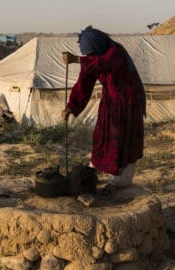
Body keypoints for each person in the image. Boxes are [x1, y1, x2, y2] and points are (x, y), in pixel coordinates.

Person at [61, 26, 146, 188]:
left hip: (128, 103)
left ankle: (120, 182)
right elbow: (83, 84)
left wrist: (77, 60)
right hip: (110, 103)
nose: (91, 57)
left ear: (98, 46)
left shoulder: (115, 52)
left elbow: (106, 63)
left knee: (124, 140)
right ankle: (92, 173)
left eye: (92, 54)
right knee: (103, 136)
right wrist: (70, 107)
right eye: (89, 55)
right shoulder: (93, 60)